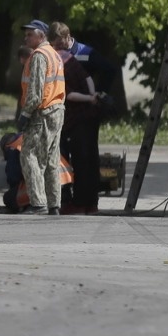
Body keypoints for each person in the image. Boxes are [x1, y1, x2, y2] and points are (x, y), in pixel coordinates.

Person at [50, 22, 101, 214]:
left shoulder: (57, 61)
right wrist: (93, 96)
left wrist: (87, 98)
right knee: (90, 160)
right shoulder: (71, 58)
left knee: (79, 162)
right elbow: (88, 78)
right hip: (89, 115)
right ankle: (91, 204)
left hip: (76, 118)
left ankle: (78, 203)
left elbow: (67, 94)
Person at [17, 19, 66, 215]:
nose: (26, 37)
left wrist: (25, 115)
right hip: (57, 111)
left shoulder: (39, 56)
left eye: (30, 34)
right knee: (52, 159)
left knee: (29, 155)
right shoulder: (54, 54)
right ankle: (54, 204)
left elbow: (36, 93)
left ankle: (38, 203)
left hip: (42, 113)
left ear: (41, 35)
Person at [0, 132, 74, 213]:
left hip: (47, 188)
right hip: (64, 185)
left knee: (8, 198)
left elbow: (13, 177)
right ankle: (61, 201)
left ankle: (37, 204)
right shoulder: (39, 138)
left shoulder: (13, 146)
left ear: (6, 146)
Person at [48, 21, 118, 94]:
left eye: (60, 44)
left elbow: (110, 70)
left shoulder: (86, 52)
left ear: (68, 37)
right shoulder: (53, 53)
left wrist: (98, 93)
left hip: (86, 100)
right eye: (54, 45)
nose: (57, 48)